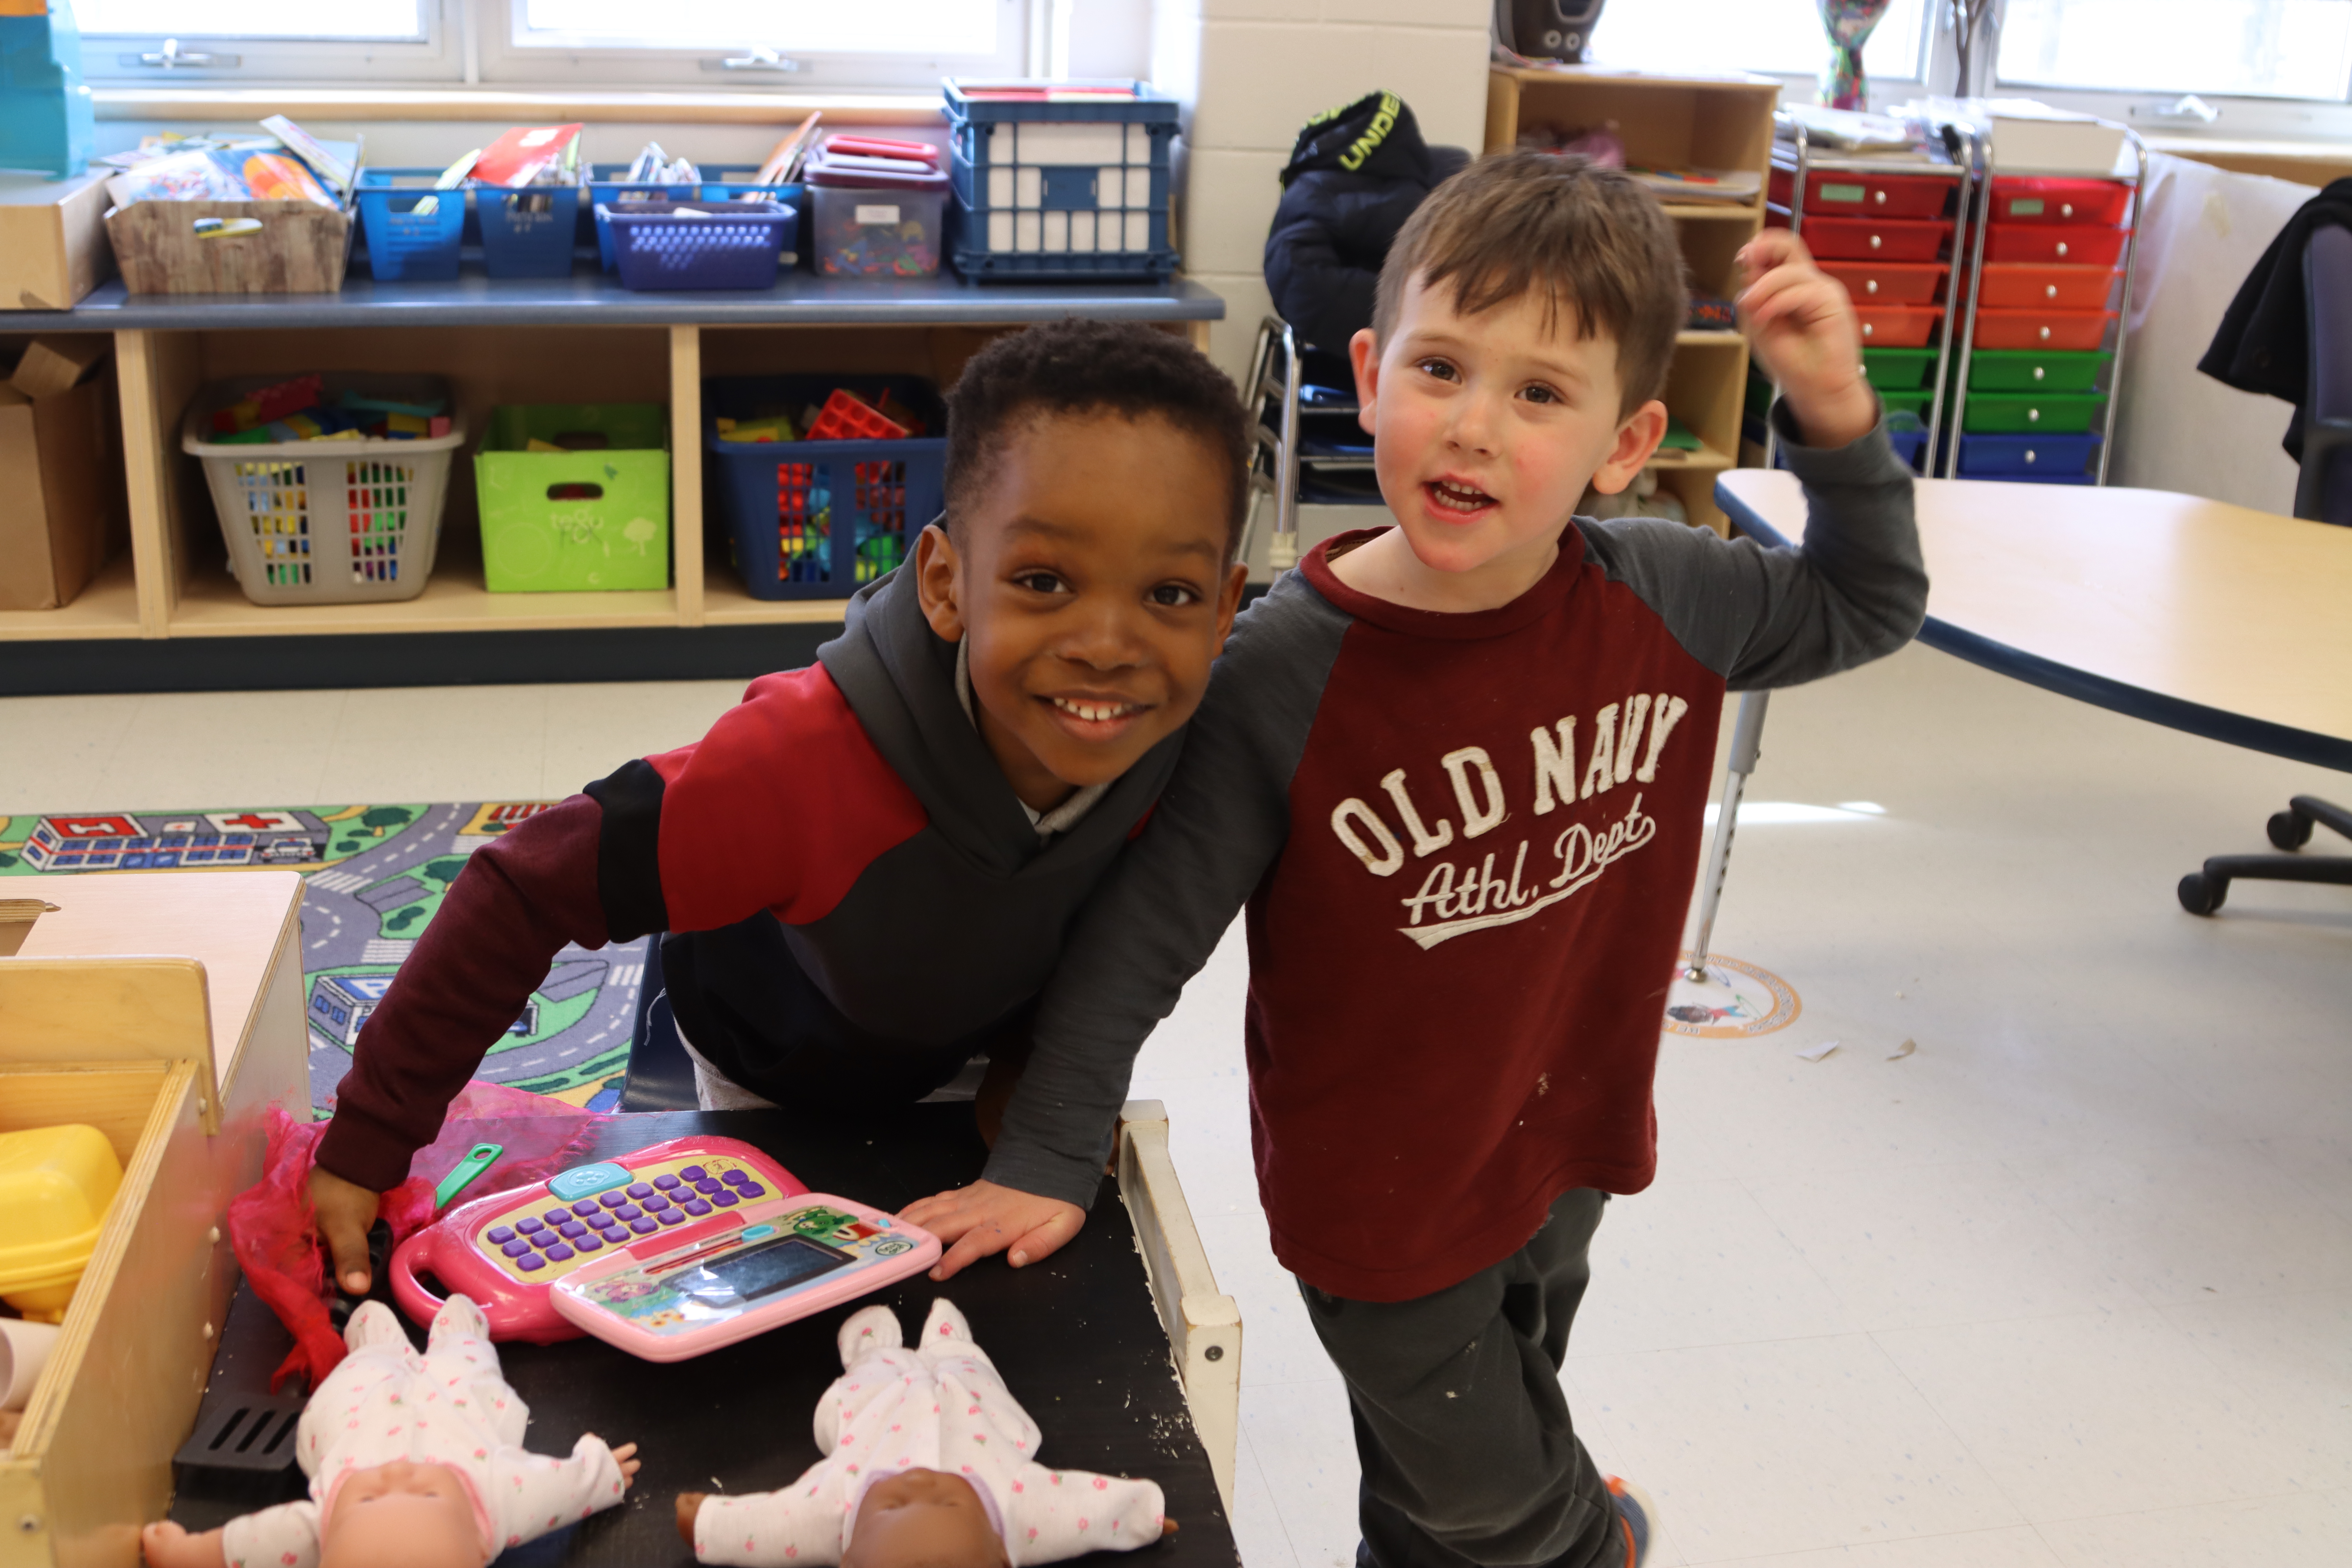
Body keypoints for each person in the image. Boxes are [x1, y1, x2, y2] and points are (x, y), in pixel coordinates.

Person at [906, 152, 1927, 1568]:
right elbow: (1148, 930)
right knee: (1500, 1505)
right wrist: (1050, 1148)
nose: (1475, 427)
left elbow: (1870, 602)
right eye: (1441, 369)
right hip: (1379, 1193)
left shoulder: (1668, 594)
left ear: (1626, 442)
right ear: (1371, 374)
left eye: (1541, 394)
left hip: (1566, 1144)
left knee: (1442, 1475)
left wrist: (1833, 408)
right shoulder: (1282, 674)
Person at [307, 320, 1253, 1298]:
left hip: (967, 1034)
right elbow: (522, 888)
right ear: (945, 583)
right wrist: (366, 1143)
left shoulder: (1193, 751)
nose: (1108, 645)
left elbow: (1118, 940)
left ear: (1226, 609)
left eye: (1169, 593)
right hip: (775, 1061)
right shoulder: (801, 761)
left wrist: (1033, 1080)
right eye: (1044, 582)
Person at [140, 1295, 640, 1568]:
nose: (397, 1476)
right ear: (479, 1535)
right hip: (456, 1407)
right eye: (427, 1495)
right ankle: (460, 1329)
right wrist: (602, 1475)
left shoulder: (312, 1533)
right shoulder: (500, 1499)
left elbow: (246, 1545)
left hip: (367, 1406)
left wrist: (185, 1554)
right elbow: (560, 1491)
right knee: (469, 1360)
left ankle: (372, 1335)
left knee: (369, 1354)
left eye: (367, 1501)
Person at [675, 1299, 1171, 1567]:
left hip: (879, 1408)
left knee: (866, 1381)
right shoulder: (1022, 1512)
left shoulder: (831, 1510)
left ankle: (872, 1350)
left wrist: (708, 1525)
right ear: (1003, 1555)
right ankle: (951, 1343)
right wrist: (1145, 1515)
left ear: (847, 1560)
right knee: (973, 1372)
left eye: (892, 1507)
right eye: (948, 1505)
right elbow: (1086, 1510)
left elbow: (770, 1526)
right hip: (970, 1406)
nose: (919, 1487)